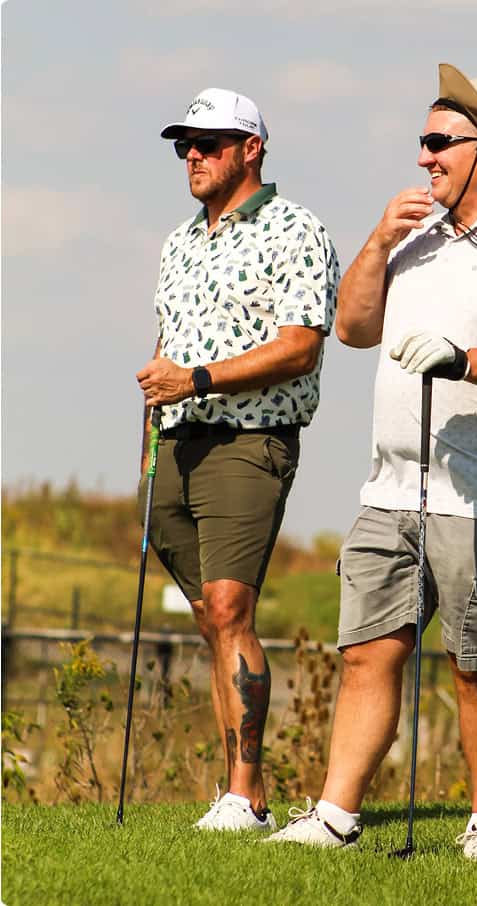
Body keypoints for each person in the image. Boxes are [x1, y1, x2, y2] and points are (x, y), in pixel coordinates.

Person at [266, 63, 477, 860]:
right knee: (369, 650)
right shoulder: (413, 237)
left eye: (438, 141)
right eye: (423, 140)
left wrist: (463, 361)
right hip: (390, 489)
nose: (423, 157)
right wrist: (379, 241)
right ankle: (336, 815)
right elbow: (352, 328)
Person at [135, 87, 339, 832]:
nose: (192, 155)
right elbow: (168, 338)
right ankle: (235, 790)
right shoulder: (180, 240)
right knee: (210, 620)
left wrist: (195, 380)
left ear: (251, 148)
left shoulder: (296, 229)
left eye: (209, 143)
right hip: (176, 445)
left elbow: (300, 345)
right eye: (184, 144)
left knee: (230, 607)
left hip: (249, 440)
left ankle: (246, 795)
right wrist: (159, 396)